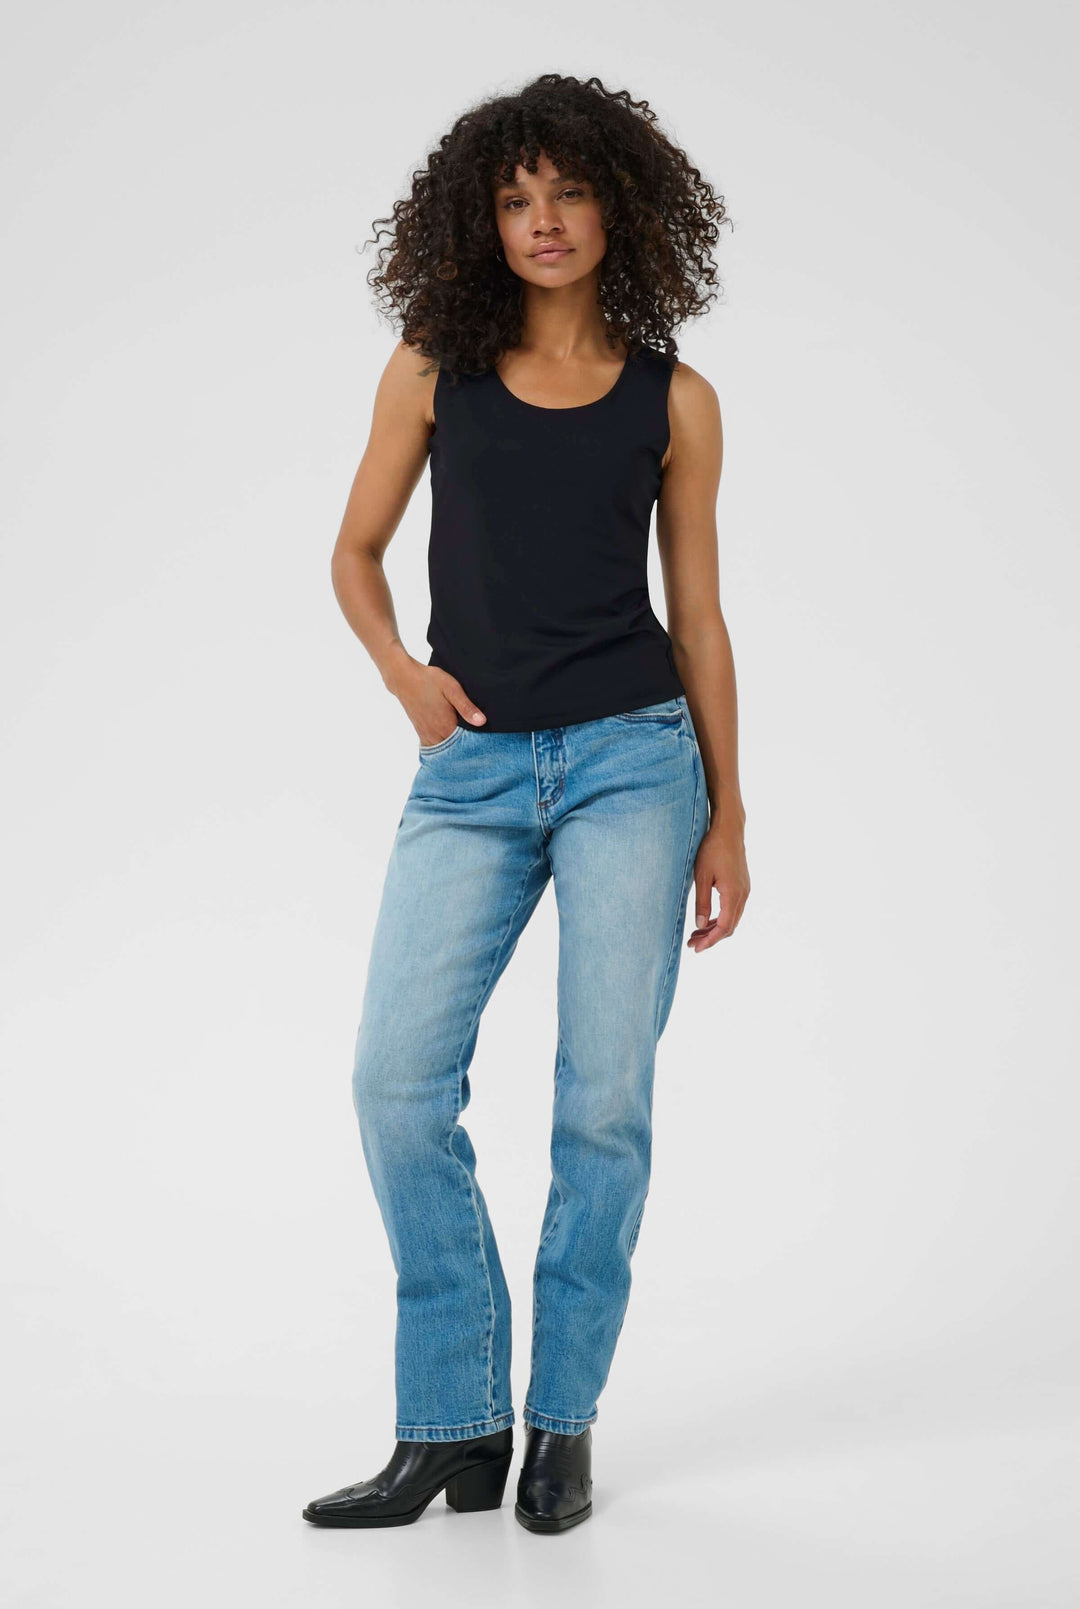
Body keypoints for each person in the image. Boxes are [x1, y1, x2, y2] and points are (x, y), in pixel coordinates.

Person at [303, 73, 749, 1534]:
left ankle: (561, 1423)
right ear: (477, 220)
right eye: (513, 199)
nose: (541, 221)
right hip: (475, 768)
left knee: (601, 1104)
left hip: (635, 758)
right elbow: (356, 552)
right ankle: (451, 1424)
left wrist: (727, 815)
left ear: (619, 207)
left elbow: (701, 612)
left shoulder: (675, 398)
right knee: (394, 1082)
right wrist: (402, 678)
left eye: (565, 193)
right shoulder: (434, 367)